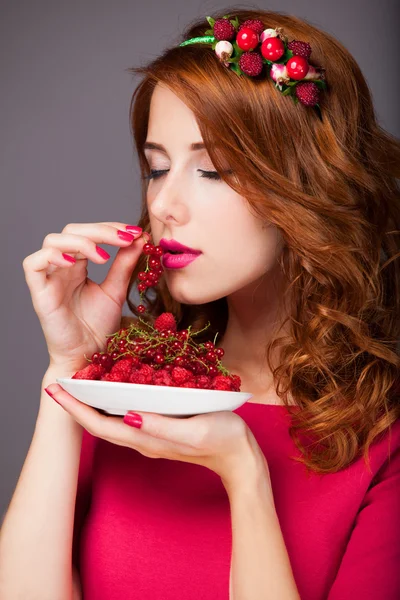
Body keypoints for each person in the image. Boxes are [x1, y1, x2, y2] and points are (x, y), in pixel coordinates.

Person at [1, 7, 400, 600]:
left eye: (213, 171)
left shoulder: (382, 440)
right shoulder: (130, 392)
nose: (164, 205)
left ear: (310, 186)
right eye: (156, 168)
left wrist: (245, 476)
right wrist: (69, 369)